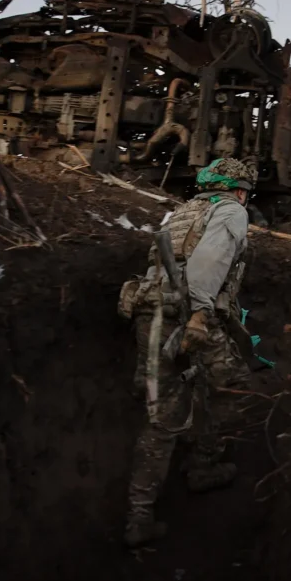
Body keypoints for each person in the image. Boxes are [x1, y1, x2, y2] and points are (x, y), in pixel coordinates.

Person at [116, 157, 255, 548]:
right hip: (188, 313)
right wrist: (200, 316)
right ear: (240, 190)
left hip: (151, 314)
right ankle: (192, 473)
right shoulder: (230, 210)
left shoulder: (181, 213)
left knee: (173, 405)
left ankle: (154, 503)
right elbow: (208, 263)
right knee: (235, 390)